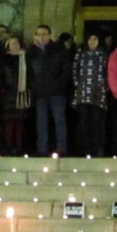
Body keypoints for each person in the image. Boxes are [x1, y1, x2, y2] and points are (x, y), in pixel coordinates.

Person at [27, 25, 71, 157]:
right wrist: (33, 86)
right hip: (40, 93)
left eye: (44, 34)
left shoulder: (58, 49)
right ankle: (42, 149)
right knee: (41, 122)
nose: (42, 36)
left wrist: (60, 86)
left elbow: (66, 70)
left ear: (50, 35)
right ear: (35, 36)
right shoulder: (32, 52)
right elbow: (29, 72)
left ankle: (61, 149)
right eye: (39, 34)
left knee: (59, 121)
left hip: (57, 93)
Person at [72, 34, 108, 157]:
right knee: (83, 123)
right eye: (90, 39)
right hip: (82, 94)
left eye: (95, 39)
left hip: (99, 95)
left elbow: (107, 73)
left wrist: (104, 88)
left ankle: (96, 149)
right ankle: (84, 150)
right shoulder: (80, 55)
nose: (92, 41)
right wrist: (78, 86)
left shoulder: (104, 55)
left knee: (96, 123)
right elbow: (74, 72)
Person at [0, 35, 31, 156]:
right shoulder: (4, 59)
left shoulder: (26, 58)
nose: (14, 45)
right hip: (8, 95)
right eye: (12, 43)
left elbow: (31, 74)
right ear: (8, 46)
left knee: (20, 122)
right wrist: (3, 90)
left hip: (23, 95)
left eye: (16, 43)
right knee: (9, 122)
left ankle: (19, 147)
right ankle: (9, 148)